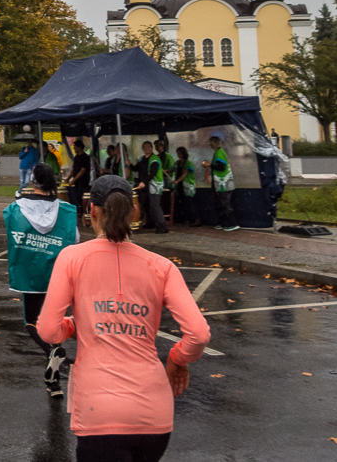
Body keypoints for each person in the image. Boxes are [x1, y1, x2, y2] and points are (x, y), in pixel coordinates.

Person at [37, 175, 210, 462]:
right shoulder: (161, 266)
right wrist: (177, 360)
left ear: (91, 210)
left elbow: (48, 332)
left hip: (99, 414)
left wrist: (73, 325)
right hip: (154, 414)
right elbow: (199, 335)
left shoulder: (71, 258)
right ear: (135, 211)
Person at [3, 162, 76, 397]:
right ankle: (53, 382)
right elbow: (73, 241)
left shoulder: (15, 209)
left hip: (30, 274)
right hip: (57, 275)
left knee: (32, 322)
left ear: (32, 181)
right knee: (56, 324)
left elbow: (12, 233)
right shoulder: (66, 211)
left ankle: (49, 352)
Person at [203, 134, 238, 231]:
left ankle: (231, 223)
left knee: (224, 203)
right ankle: (222, 222)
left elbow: (222, 167)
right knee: (219, 203)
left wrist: (210, 165)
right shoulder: (217, 153)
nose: (209, 145)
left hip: (224, 183)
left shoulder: (220, 153)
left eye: (210, 143)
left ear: (214, 143)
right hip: (219, 183)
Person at [141, 142, 170, 234]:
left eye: (148, 147)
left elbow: (152, 173)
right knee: (147, 205)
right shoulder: (143, 159)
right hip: (148, 185)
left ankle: (162, 226)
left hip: (155, 185)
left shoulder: (154, 159)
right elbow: (138, 168)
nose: (146, 148)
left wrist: (143, 182)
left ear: (151, 148)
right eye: (144, 147)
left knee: (154, 205)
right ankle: (151, 223)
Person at [172, 147, 199, 226]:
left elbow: (185, 173)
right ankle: (181, 219)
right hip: (180, 187)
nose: (178, 155)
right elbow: (172, 170)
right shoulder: (177, 163)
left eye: (180, 153)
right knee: (181, 203)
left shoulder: (188, 163)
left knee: (189, 203)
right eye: (177, 153)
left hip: (187, 186)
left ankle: (194, 220)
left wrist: (177, 181)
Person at [154, 139, 176, 223]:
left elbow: (172, 169)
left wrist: (165, 171)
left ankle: (166, 216)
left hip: (167, 180)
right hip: (160, 179)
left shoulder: (166, 155)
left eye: (159, 145)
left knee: (166, 198)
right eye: (156, 146)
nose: (157, 147)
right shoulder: (157, 156)